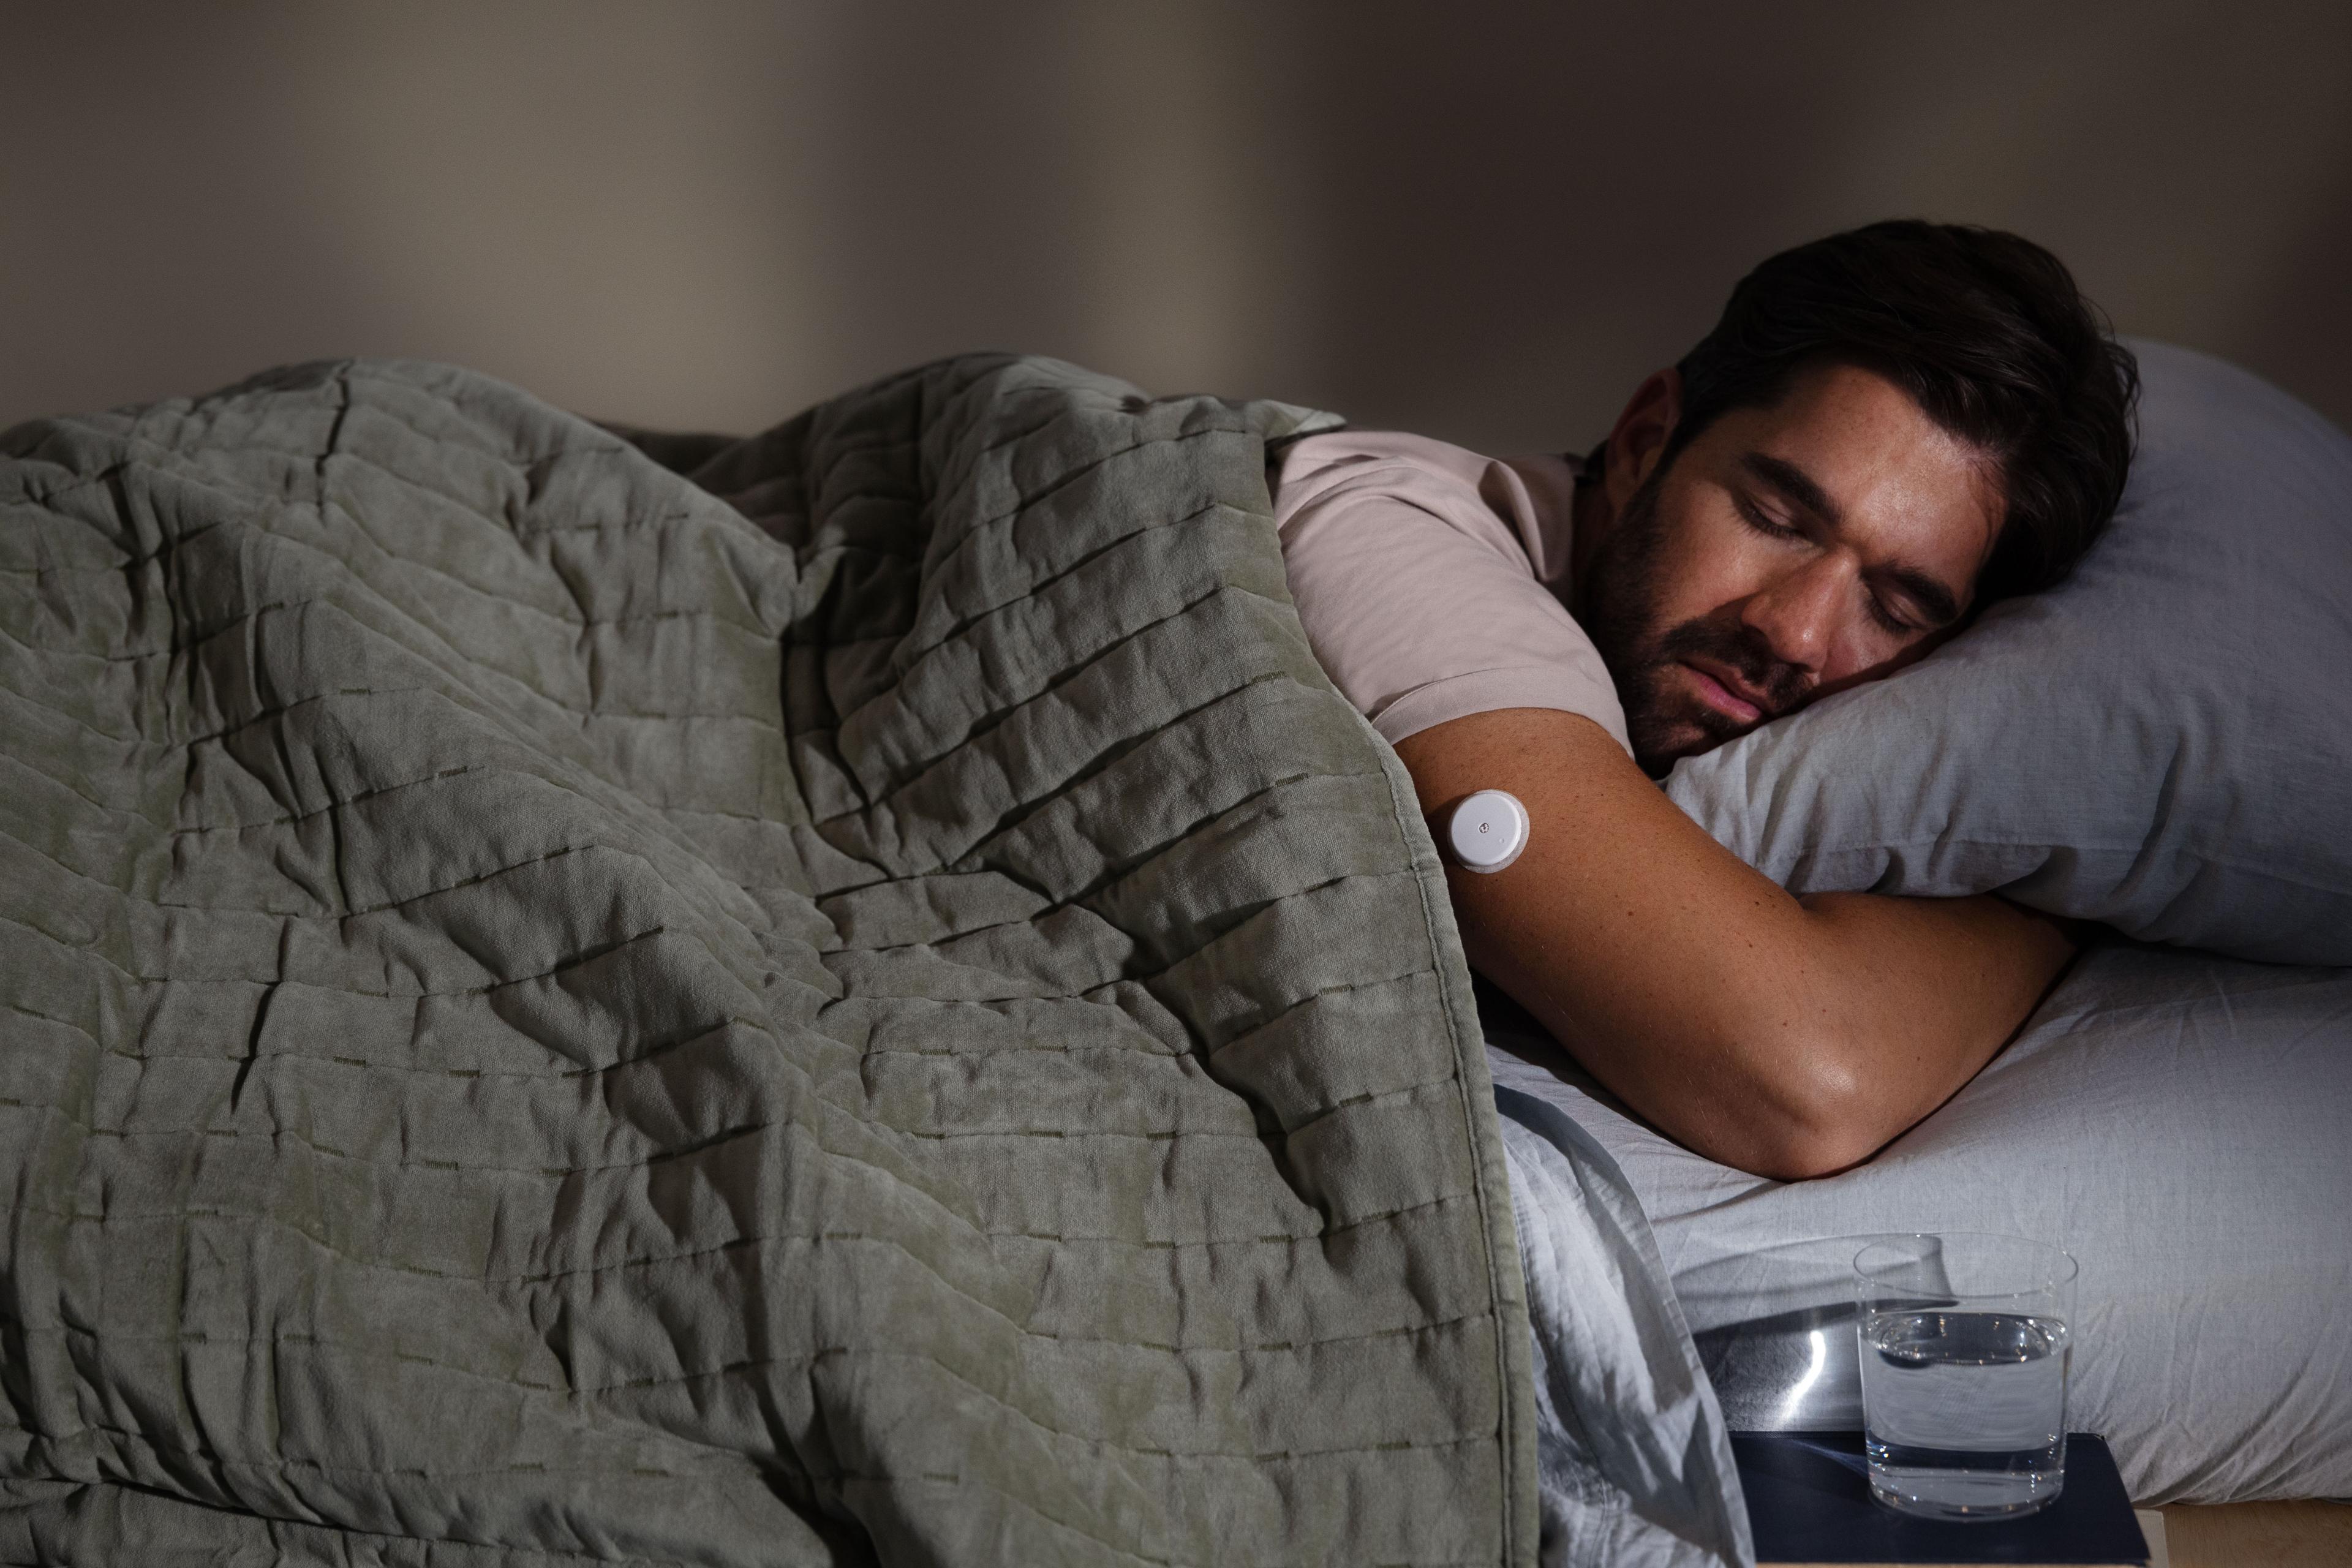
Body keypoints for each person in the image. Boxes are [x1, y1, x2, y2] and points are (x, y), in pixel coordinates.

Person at [1273, 220, 2139, 1181]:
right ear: (1648, 440)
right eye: (1775, 519)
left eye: (1892, 608)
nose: (1797, 634)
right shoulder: (1392, 530)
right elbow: (1807, 1077)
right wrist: (2052, 911)